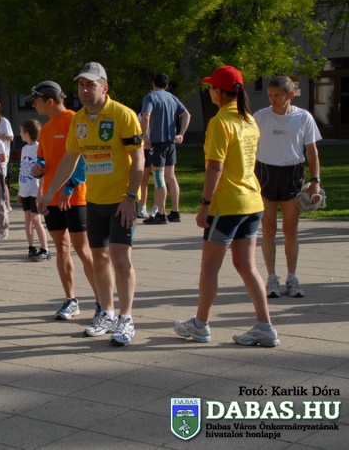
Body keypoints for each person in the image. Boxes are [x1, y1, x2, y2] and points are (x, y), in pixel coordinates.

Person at [174, 65, 280, 347]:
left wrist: (205, 204)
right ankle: (265, 326)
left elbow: (215, 167)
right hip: (252, 201)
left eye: (211, 87)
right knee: (247, 265)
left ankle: (200, 325)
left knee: (210, 266)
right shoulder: (248, 120)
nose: (210, 91)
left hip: (227, 205)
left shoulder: (220, 122)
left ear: (219, 92)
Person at [40, 65, 143, 345]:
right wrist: (49, 193)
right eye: (81, 85)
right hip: (94, 200)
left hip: (121, 201)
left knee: (120, 258)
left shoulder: (122, 114)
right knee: (99, 259)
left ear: (104, 88)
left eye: (91, 85)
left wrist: (131, 198)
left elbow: (139, 159)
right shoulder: (79, 120)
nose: (85, 90)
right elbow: (70, 159)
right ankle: (107, 313)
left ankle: (126, 318)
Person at [27, 81, 99, 321]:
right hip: (51, 198)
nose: (33, 105)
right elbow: (44, 159)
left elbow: (83, 157)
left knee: (83, 249)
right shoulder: (46, 128)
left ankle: (102, 302)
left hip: (75, 197)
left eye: (36, 101)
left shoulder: (75, 120)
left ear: (50, 101)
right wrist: (38, 168)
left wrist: (71, 185)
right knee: (62, 248)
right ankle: (71, 299)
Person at [254, 75, 322, 299]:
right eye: (270, 95)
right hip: (265, 173)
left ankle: (292, 277)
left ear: (290, 95)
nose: (273, 100)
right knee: (268, 228)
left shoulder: (303, 117)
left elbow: (312, 150)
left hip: (292, 174)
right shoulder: (260, 117)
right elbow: (249, 148)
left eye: (278, 95)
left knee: (290, 229)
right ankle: (271, 277)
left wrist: (316, 181)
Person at [140, 73, 191, 224]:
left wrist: (145, 135)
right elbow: (186, 114)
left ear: (153, 83)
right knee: (171, 176)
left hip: (157, 142)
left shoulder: (150, 97)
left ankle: (161, 214)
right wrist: (181, 133)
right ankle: (175, 212)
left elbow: (146, 115)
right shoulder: (172, 98)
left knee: (158, 176)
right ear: (167, 86)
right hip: (171, 142)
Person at [17, 119, 49, 262]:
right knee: (28, 219)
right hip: (25, 189)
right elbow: (23, 168)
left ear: (26, 133)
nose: (20, 133)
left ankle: (45, 248)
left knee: (36, 219)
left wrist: (40, 192)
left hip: (35, 189)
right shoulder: (24, 149)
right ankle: (31, 247)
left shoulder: (39, 147)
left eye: (21, 131)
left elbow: (43, 172)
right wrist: (20, 189)